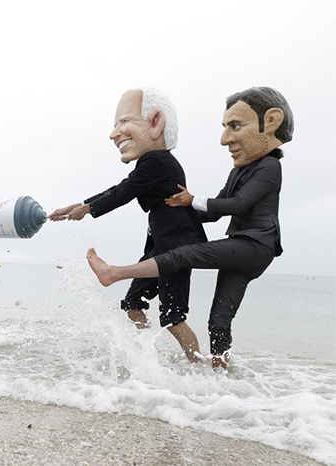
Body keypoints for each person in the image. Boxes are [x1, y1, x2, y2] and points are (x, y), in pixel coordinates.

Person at [87, 86, 293, 369]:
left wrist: (193, 200)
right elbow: (218, 208)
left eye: (234, 126)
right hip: (239, 247)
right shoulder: (239, 170)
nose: (225, 139)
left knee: (184, 254)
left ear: (270, 122)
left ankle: (114, 273)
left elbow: (238, 204)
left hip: (256, 245)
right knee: (218, 321)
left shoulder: (270, 166)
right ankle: (218, 377)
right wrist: (183, 208)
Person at [49, 88, 207, 362]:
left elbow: (125, 190)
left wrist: (86, 209)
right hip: (159, 247)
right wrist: (76, 206)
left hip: (178, 246)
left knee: (173, 318)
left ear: (155, 123)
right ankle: (149, 358)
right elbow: (120, 187)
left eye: (124, 122)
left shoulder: (157, 159)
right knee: (132, 304)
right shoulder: (153, 162)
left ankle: (201, 367)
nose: (114, 133)